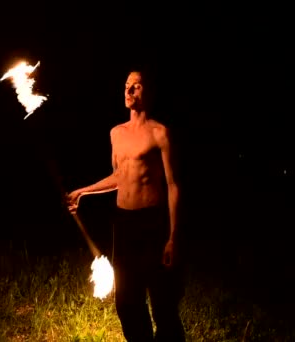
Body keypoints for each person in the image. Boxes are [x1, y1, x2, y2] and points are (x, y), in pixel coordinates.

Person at [66, 67, 185, 341]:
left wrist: (173, 237)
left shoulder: (160, 133)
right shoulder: (116, 133)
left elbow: (174, 185)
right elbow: (119, 176)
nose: (129, 90)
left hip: (153, 223)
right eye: (126, 85)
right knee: (127, 302)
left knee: (162, 302)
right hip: (124, 224)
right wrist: (82, 192)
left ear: (149, 92)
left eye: (137, 85)